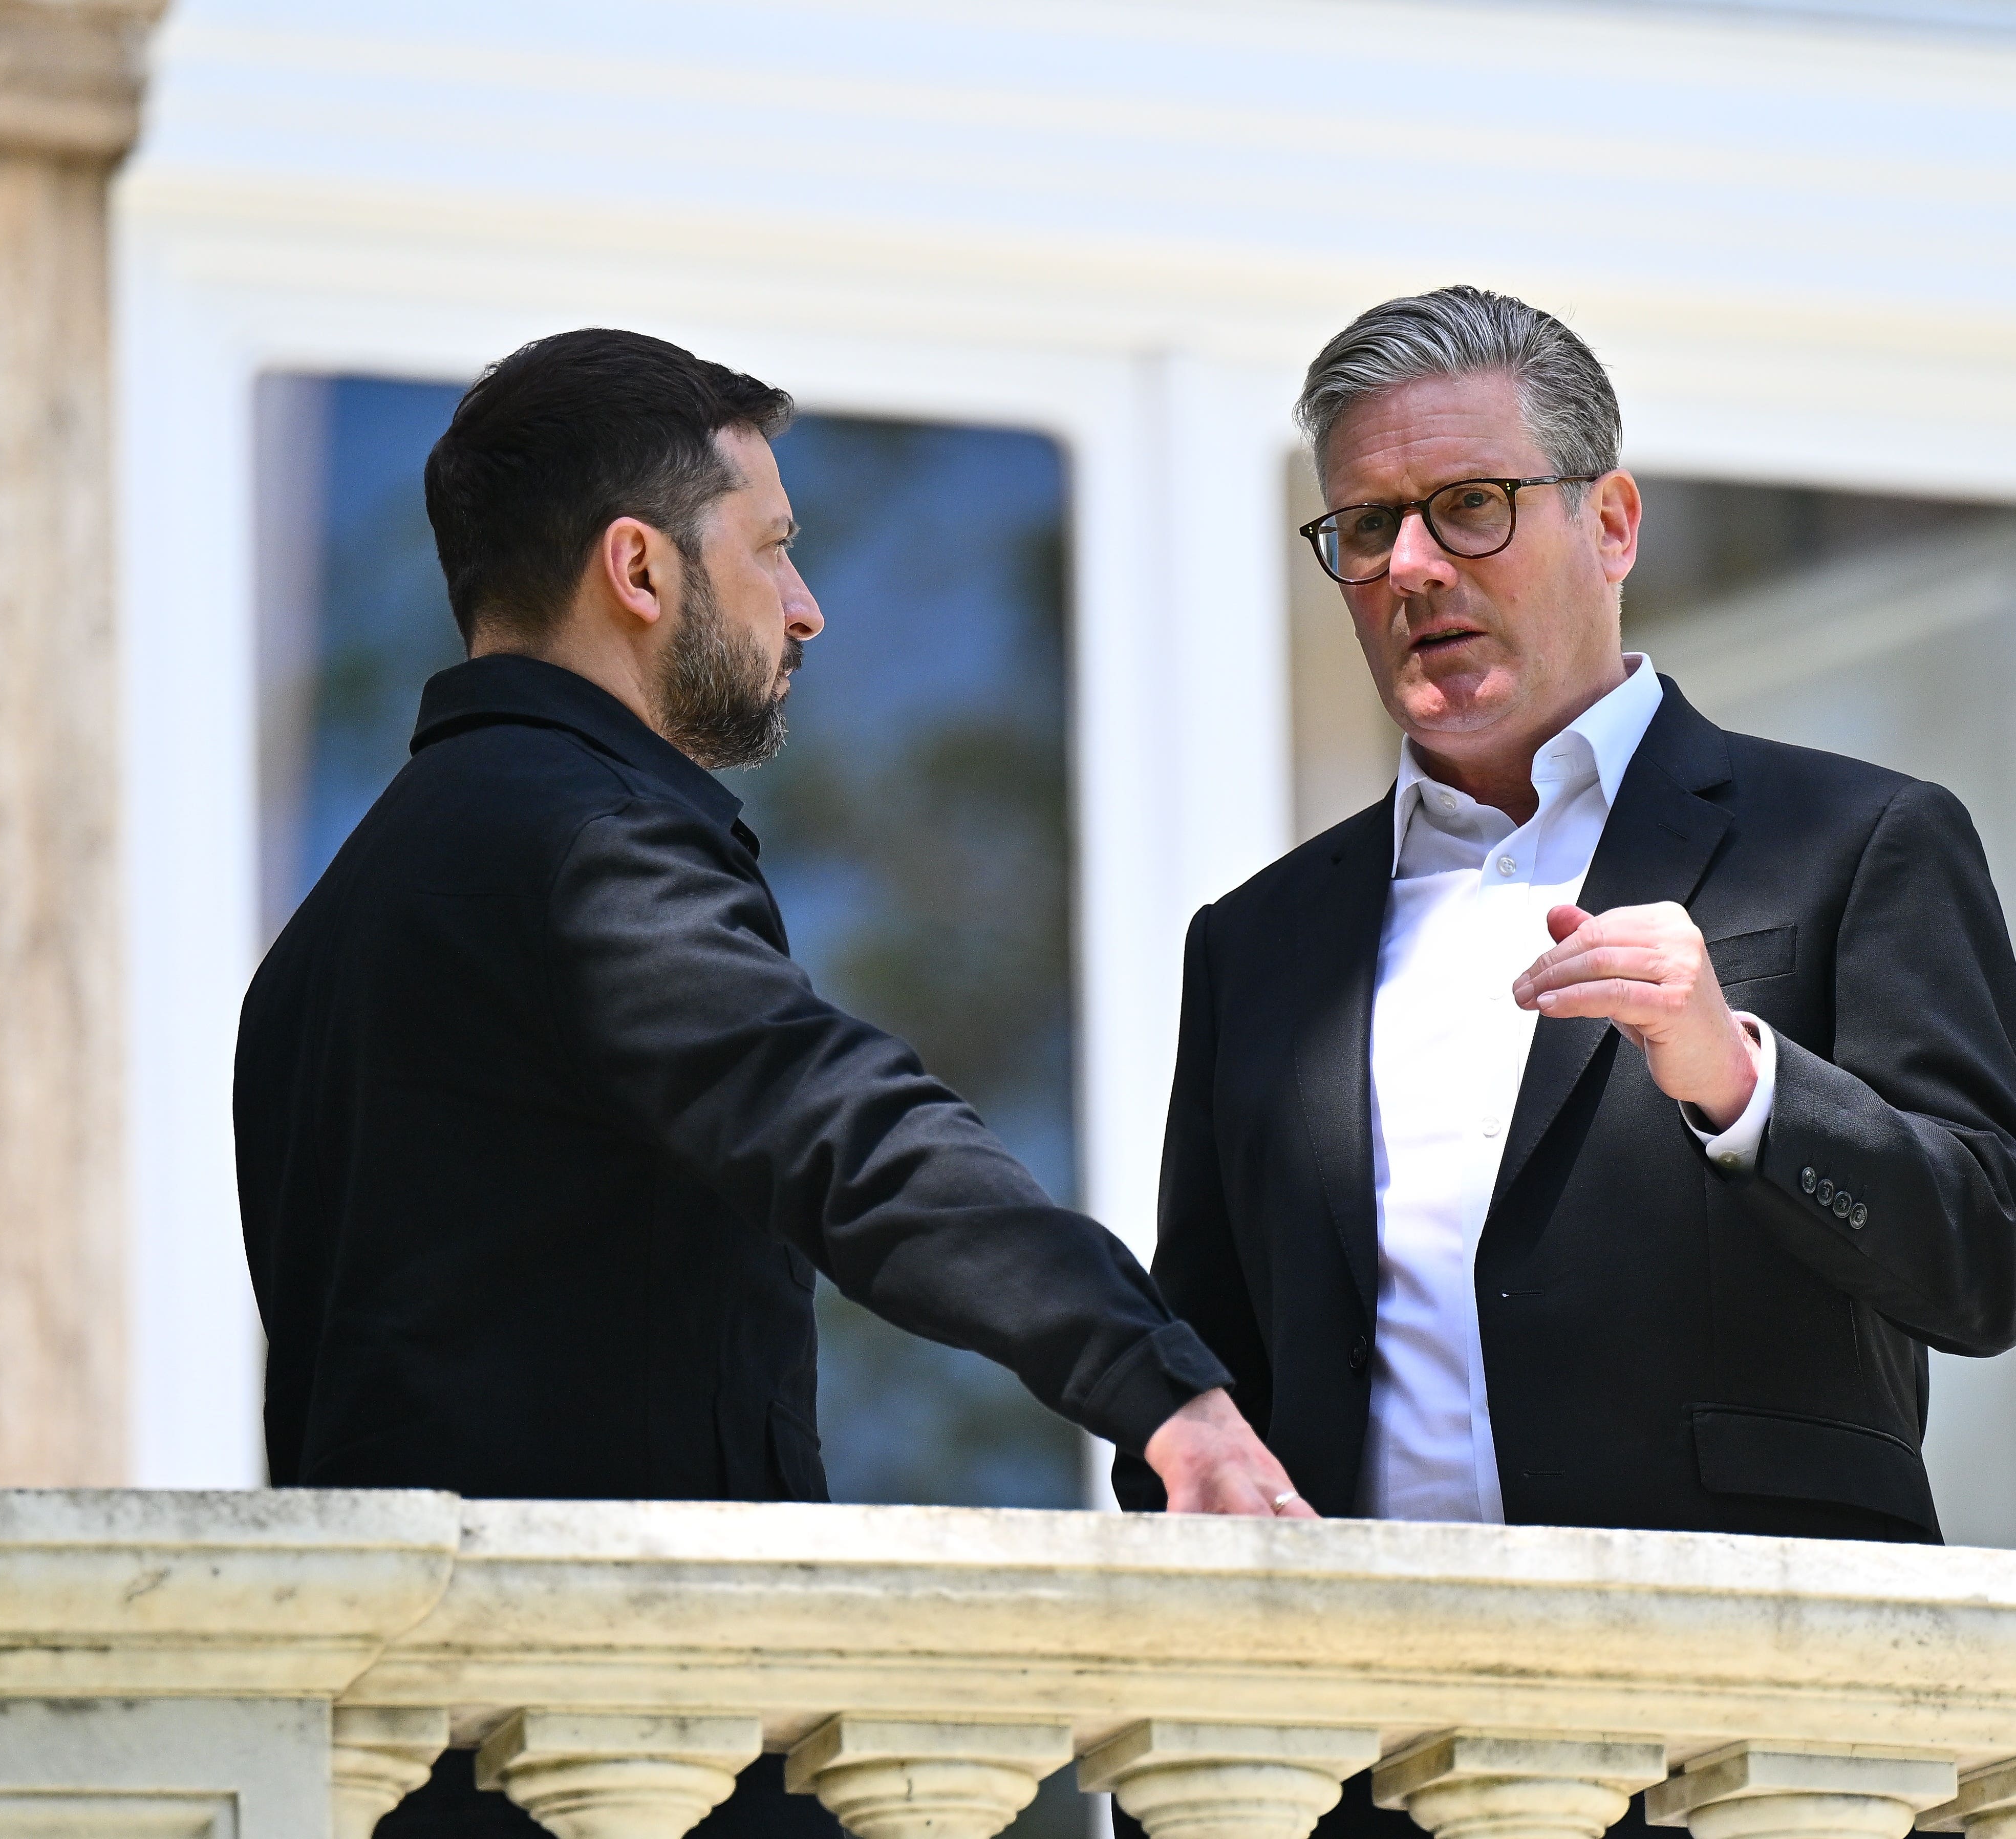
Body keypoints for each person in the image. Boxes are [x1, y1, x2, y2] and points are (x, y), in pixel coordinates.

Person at [235, 328, 1303, 1839]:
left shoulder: (335, 925)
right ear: (640, 567)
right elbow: (843, 1128)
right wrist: (1160, 1391)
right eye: (773, 551)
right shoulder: (581, 849)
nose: (805, 608)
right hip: (615, 1758)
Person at [1113, 286, 2016, 1834]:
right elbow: (1207, 1370)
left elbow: (1993, 1262)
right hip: (1359, 1767)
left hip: (1752, 1742)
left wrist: (1743, 1080)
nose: (1412, 567)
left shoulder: (1855, 840)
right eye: (1364, 529)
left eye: (1470, 508)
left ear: (1610, 522)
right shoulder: (1258, 943)